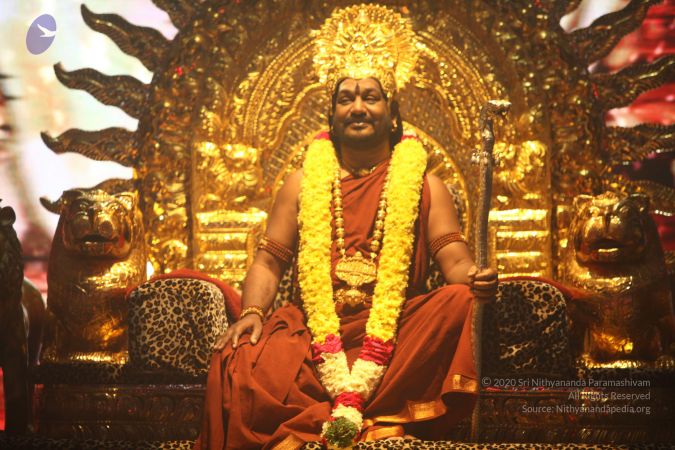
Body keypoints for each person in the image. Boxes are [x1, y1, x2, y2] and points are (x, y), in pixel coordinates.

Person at [195, 6, 498, 449]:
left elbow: (454, 260)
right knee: (240, 358)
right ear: (332, 115)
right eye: (346, 98)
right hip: (315, 334)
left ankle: (362, 412)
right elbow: (269, 261)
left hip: (398, 335)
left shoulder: (426, 185)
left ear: (392, 114)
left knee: (457, 301)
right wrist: (253, 312)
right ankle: (357, 415)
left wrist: (476, 279)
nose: (358, 107)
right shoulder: (301, 183)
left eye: (371, 97)